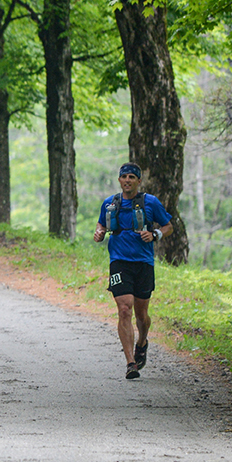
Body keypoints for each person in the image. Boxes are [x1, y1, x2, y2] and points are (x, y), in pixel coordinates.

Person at [92, 162, 173, 380]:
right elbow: (101, 224)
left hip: (144, 263)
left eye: (131, 177)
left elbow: (168, 226)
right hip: (119, 261)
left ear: (138, 180)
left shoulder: (150, 202)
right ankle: (130, 363)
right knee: (124, 309)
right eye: (123, 177)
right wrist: (99, 233)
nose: (127, 180)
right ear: (119, 180)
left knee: (142, 315)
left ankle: (142, 342)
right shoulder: (110, 203)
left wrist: (155, 234)